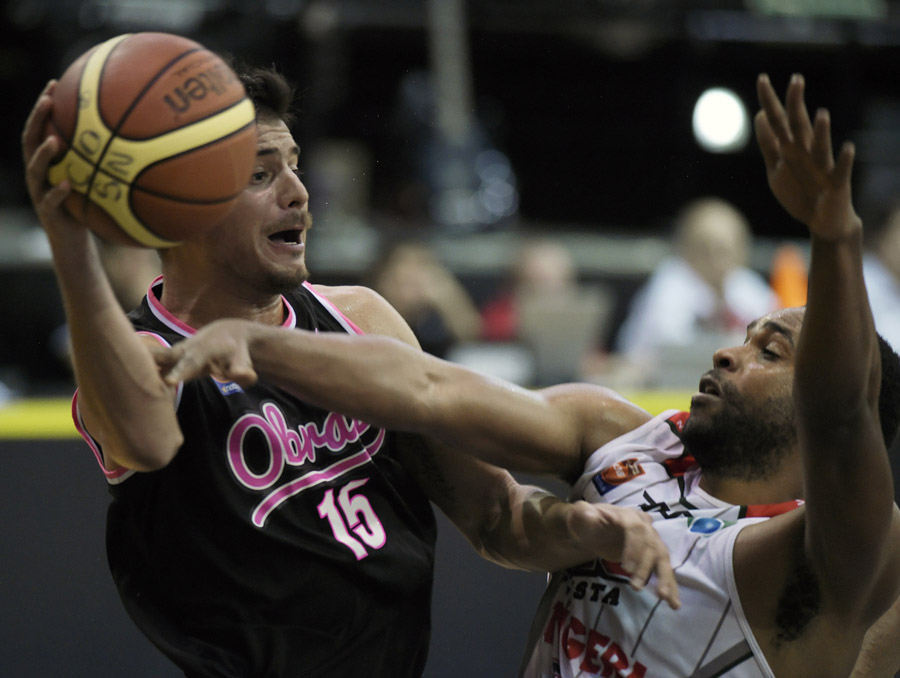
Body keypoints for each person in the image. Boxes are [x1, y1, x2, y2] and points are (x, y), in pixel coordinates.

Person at [157, 73, 900, 677]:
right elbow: (429, 391)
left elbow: (840, 420)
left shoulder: (828, 557)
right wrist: (258, 343)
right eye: (745, 337)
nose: (728, 354)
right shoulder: (624, 438)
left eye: (772, 353)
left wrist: (834, 235)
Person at [22, 65, 678, 677]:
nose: (298, 193)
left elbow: (497, 515)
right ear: (180, 209)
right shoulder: (144, 354)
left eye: (295, 166)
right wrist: (70, 241)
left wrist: (580, 529)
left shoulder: (359, 317)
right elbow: (142, 436)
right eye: (260, 175)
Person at [614, 195, 778, 382]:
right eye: (706, 248)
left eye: (724, 249)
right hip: (662, 386)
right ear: (687, 248)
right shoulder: (670, 283)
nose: (716, 259)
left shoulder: (748, 287)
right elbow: (676, 353)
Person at [365, 240, 481, 358]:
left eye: (422, 265)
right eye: (407, 281)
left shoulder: (433, 313)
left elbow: (470, 335)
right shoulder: (369, 307)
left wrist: (447, 298)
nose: (416, 274)